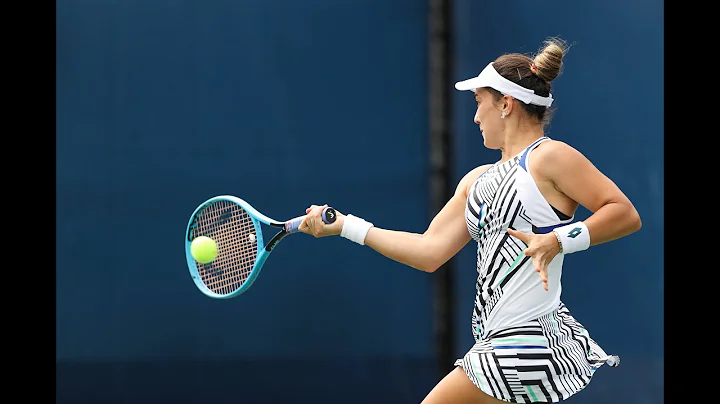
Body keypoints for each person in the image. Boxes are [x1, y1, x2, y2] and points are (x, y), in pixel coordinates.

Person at [298, 37, 642, 403]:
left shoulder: (550, 157)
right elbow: (429, 252)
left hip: (524, 344)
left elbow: (623, 212)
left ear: (506, 105)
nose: (476, 116)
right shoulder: (475, 181)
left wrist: (559, 240)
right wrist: (346, 226)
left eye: (480, 103)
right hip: (500, 342)